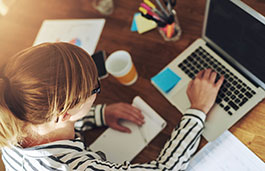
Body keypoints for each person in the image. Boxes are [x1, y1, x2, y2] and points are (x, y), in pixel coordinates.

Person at [0, 42, 224, 171]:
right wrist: (198, 109)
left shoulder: (10, 115)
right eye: (95, 89)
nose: (98, 91)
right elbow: (164, 169)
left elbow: (48, 122)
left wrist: (100, 114)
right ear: (64, 114)